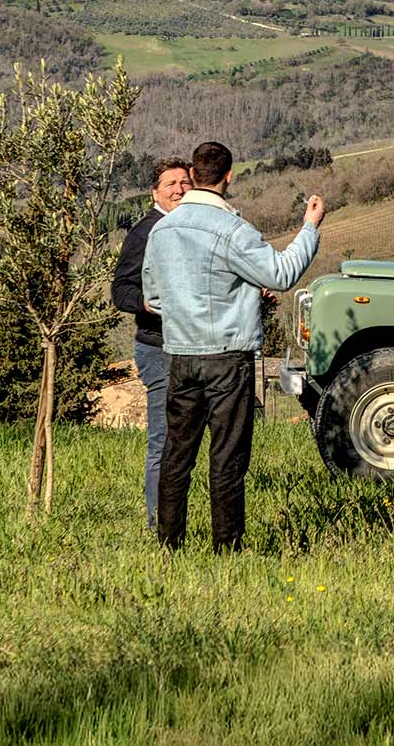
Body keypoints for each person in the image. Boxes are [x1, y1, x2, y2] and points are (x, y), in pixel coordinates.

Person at [144, 140, 324, 551]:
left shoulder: (162, 230)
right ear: (229, 176)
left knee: (176, 454)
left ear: (193, 175)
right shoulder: (231, 229)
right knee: (227, 457)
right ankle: (227, 546)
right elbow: (281, 273)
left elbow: (152, 297)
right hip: (228, 357)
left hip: (181, 356)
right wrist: (310, 227)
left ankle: (169, 544)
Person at [110, 157, 192, 527]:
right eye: (171, 183)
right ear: (154, 192)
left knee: (186, 438)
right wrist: (144, 303)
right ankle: (158, 522)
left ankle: (174, 516)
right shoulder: (145, 232)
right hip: (157, 347)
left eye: (185, 182)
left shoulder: (190, 227)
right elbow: (121, 289)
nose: (179, 188)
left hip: (189, 346)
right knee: (163, 439)